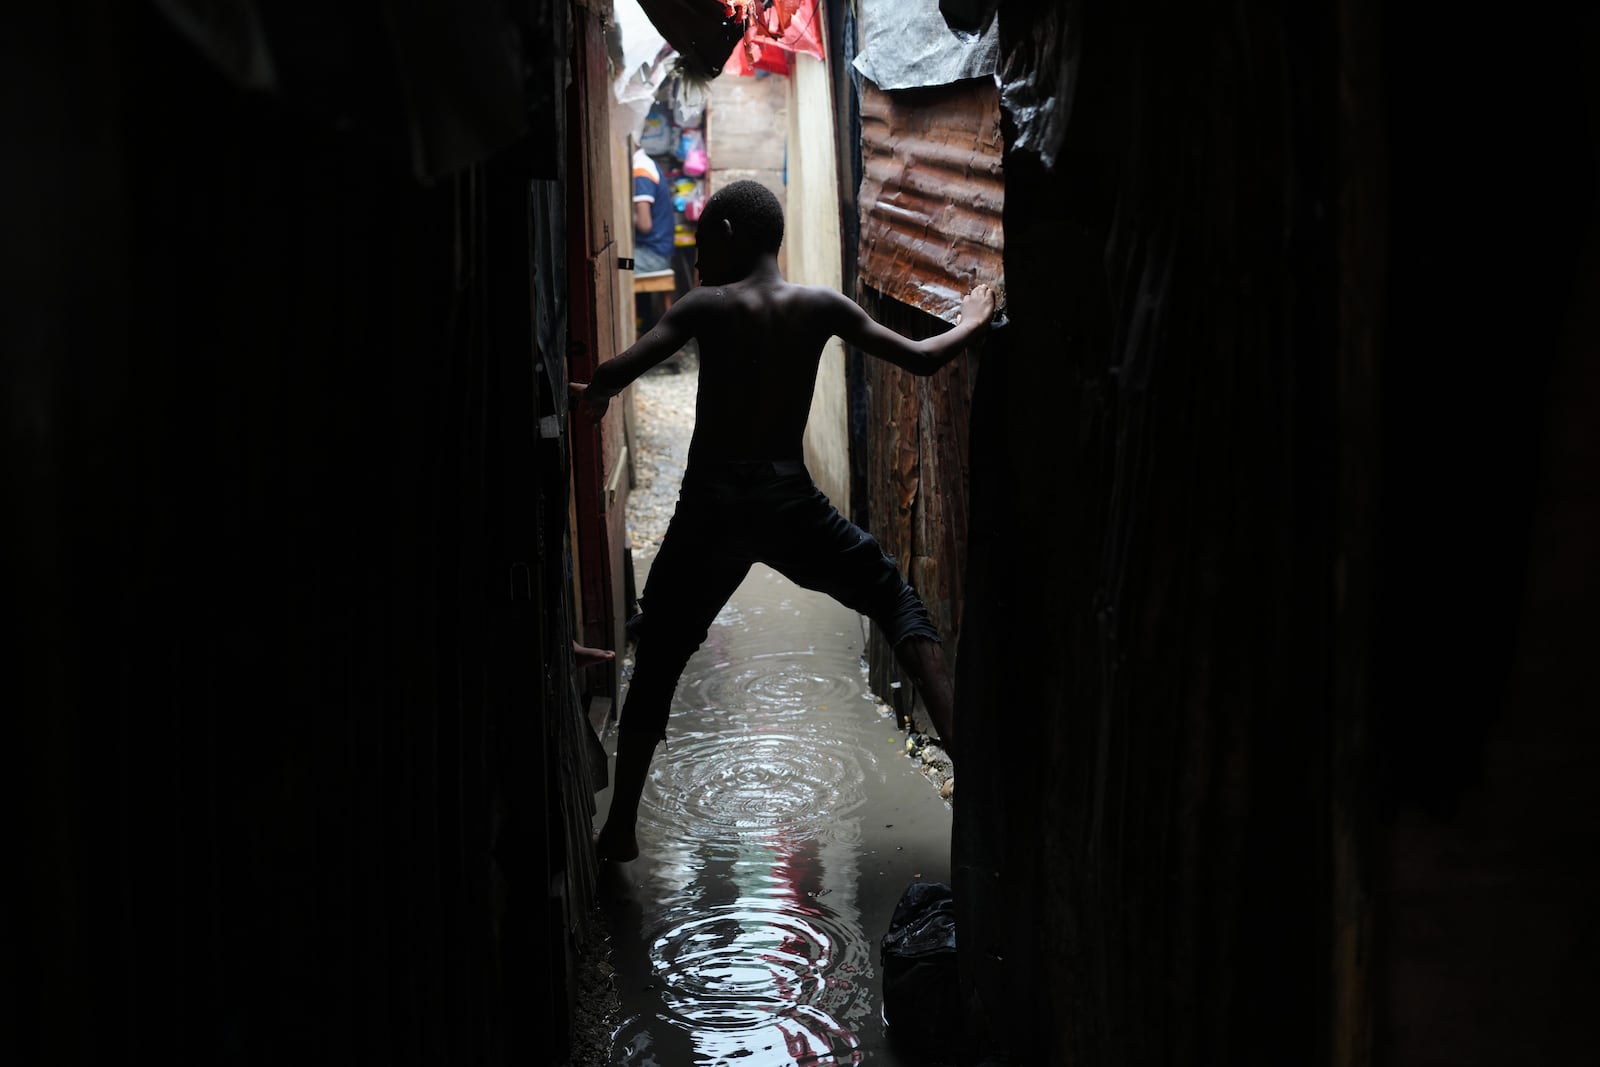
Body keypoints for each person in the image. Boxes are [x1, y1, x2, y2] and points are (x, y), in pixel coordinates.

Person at [571, 180, 996, 862]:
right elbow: (923, 358)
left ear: (734, 231)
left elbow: (616, 373)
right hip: (787, 500)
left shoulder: (704, 307)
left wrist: (590, 397)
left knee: (658, 661)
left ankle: (619, 828)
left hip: (711, 506)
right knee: (893, 598)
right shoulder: (820, 305)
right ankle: (976, 778)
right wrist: (974, 317)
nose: (699, 257)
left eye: (706, 238)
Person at [631, 146, 676, 274]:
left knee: (609, 267)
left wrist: (620, 217)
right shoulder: (646, 163)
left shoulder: (641, 172)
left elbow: (644, 225)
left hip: (653, 256)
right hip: (656, 251)